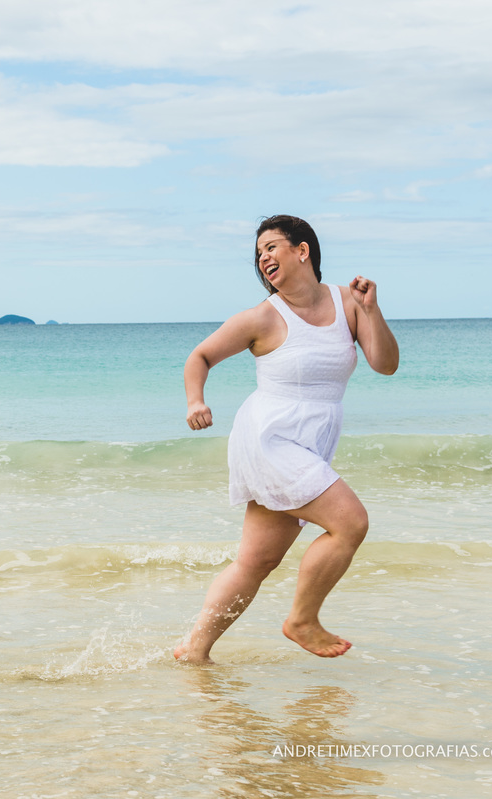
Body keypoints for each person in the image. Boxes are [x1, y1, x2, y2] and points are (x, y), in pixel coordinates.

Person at [175, 215, 399, 663]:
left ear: (302, 250)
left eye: (271, 247)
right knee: (351, 522)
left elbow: (385, 364)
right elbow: (200, 356)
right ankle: (302, 620)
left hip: (310, 443)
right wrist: (195, 401)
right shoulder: (262, 316)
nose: (263, 258)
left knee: (256, 561)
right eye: (259, 253)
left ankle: (194, 651)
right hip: (270, 439)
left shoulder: (349, 303)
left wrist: (372, 310)